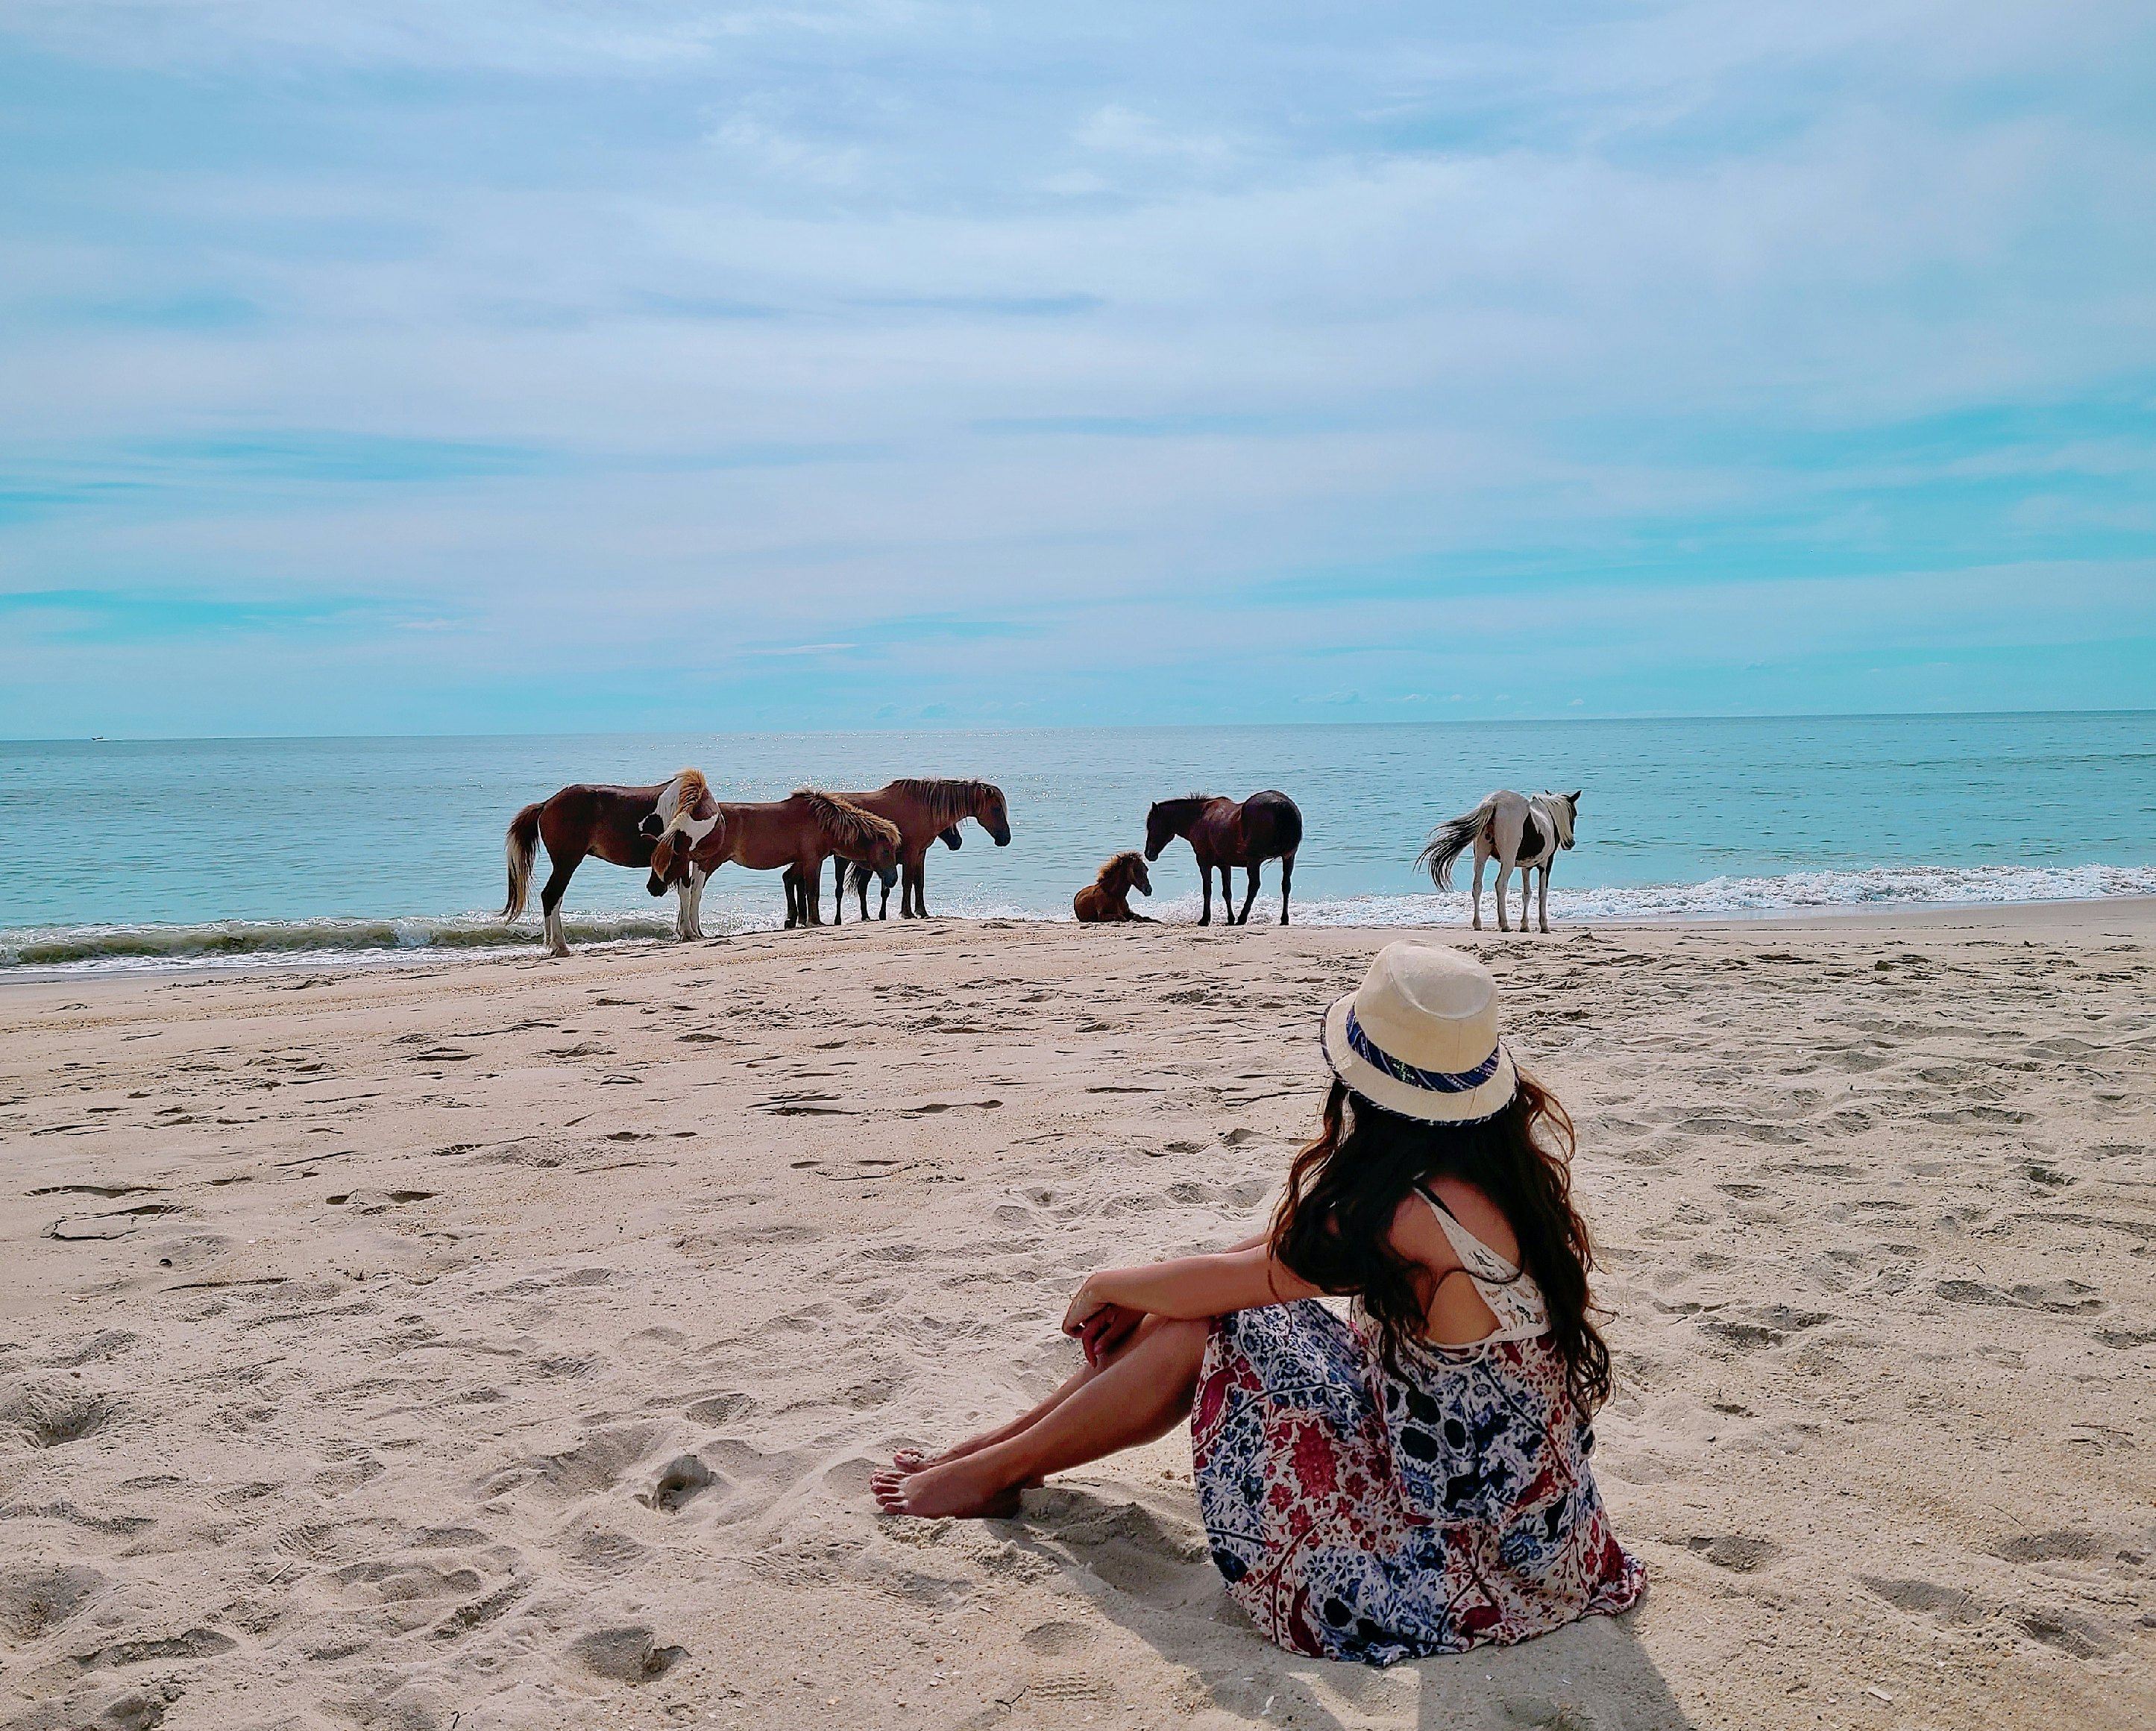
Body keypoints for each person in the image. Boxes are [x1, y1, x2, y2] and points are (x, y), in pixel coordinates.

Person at [873, 939, 1644, 1665]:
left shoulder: (1410, 1216)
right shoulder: (1489, 1168)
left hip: (1455, 1555)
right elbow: (1264, 1250)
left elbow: (1240, 1283)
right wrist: (1144, 1284)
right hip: (1544, 1531)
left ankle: (999, 1465)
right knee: (1201, 1299)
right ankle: (1001, 1453)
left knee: (1206, 1320)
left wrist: (1108, 1283)